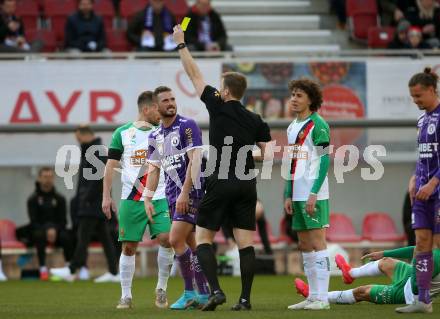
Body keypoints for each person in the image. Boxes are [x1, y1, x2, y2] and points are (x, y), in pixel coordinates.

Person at [172, 25, 272, 311]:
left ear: (225, 91)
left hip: (219, 179)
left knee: (203, 237)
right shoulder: (256, 120)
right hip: (246, 184)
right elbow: (266, 155)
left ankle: (215, 291)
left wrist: (181, 44)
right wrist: (242, 154)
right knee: (245, 242)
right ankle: (245, 300)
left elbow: (194, 75)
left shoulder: (217, 105)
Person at [102, 91, 174, 309]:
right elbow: (109, 167)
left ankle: (161, 288)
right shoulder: (122, 133)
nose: (161, 113)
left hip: (159, 196)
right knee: (129, 248)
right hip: (131, 198)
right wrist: (106, 196)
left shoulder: (163, 133)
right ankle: (126, 295)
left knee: (166, 239)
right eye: (157, 108)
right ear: (147, 109)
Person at [145, 86, 210, 309]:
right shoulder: (154, 135)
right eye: (165, 100)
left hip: (191, 192)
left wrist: (185, 192)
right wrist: (147, 198)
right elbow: (153, 170)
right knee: (192, 244)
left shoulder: (187, 125)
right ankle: (203, 293)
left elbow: (195, 160)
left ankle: (190, 292)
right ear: (156, 107)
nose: (171, 103)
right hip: (172, 196)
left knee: (174, 240)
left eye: (173, 99)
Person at [283, 78, 331, 311]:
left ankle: (323, 298)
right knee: (303, 243)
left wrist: (313, 193)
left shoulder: (319, 124)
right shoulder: (292, 126)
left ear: (311, 100)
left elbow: (323, 161)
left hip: (314, 193)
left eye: (299, 95)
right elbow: (290, 163)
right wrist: (287, 193)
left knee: (317, 242)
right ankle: (312, 296)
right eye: (292, 94)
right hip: (297, 193)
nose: (294, 98)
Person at [396, 67, 440, 313]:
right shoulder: (422, 120)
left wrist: (434, 182)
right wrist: (415, 178)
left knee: (438, 243)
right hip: (422, 191)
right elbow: (424, 156)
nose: (415, 101)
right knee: (421, 242)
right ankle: (423, 300)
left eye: (419, 96)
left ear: (432, 90)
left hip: (437, 189)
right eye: (412, 97)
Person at [51, 126, 119, 283]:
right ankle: (114, 272)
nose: (77, 141)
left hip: (92, 204)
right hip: (94, 202)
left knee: (83, 237)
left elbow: (98, 178)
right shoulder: (92, 150)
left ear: (82, 135)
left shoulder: (95, 151)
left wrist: (86, 198)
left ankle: (72, 268)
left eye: (78, 137)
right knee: (105, 238)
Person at [294, 247, 440, 305]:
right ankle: (350, 273)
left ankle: (318, 296)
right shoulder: (434, 242)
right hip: (412, 275)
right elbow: (417, 248)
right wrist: (384, 253)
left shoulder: (437, 259)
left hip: (410, 292)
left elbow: (415, 286)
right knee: (385, 262)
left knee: (362, 292)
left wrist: (417, 260)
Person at [27, 167, 73, 281]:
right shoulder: (33, 199)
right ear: (39, 178)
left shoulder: (60, 198)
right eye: (45, 177)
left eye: (50, 177)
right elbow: (34, 221)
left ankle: (69, 269)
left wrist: (54, 229)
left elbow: (63, 221)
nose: (47, 179)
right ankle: (43, 269)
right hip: (40, 232)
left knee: (66, 236)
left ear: (53, 178)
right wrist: (47, 229)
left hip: (57, 232)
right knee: (38, 235)